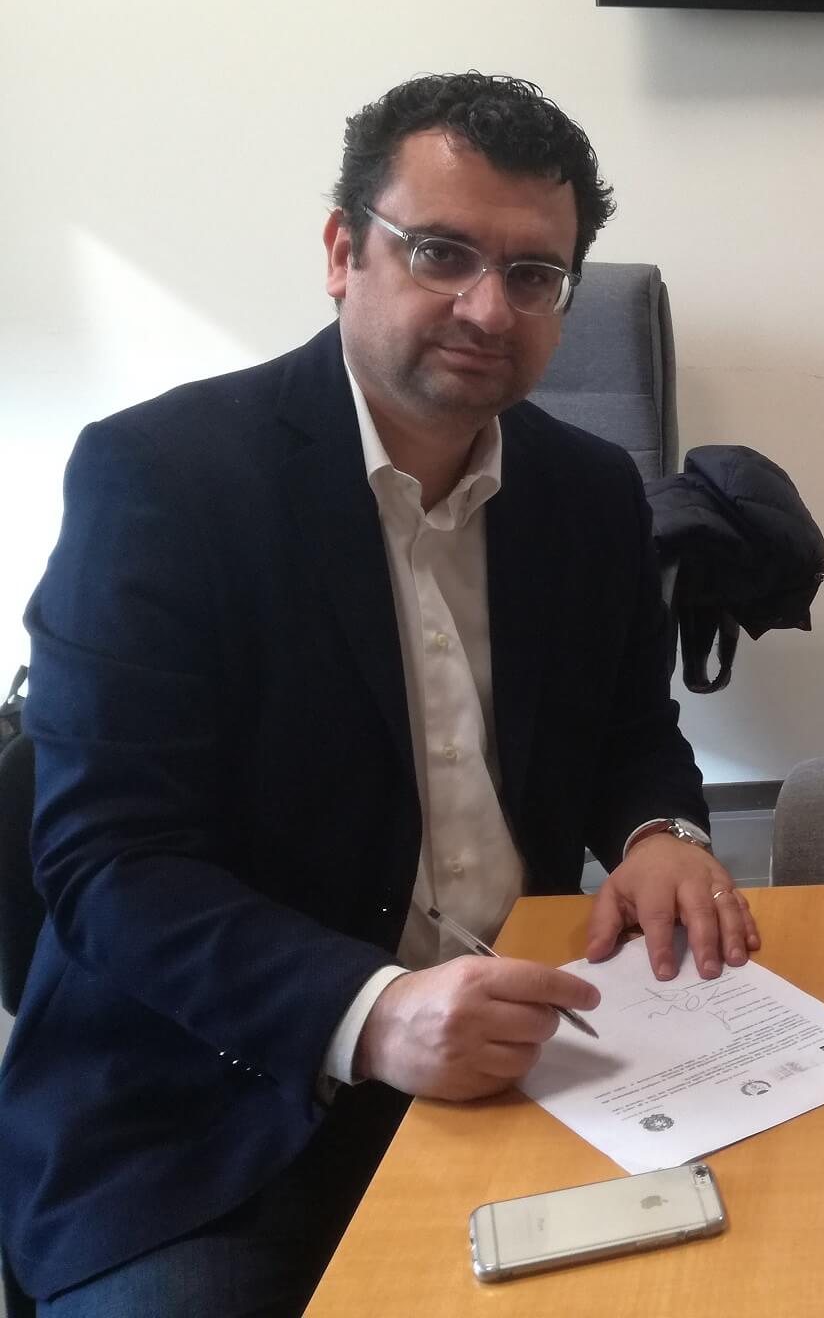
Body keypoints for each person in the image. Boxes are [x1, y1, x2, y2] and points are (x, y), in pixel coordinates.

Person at [0, 73, 759, 1314]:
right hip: (211, 1104)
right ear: (343, 252)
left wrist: (659, 832)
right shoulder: (162, 482)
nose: (487, 307)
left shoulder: (588, 493)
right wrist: (373, 1012)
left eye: (533, 275)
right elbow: (110, 862)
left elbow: (631, 731)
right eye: (441, 252)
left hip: (530, 1057)